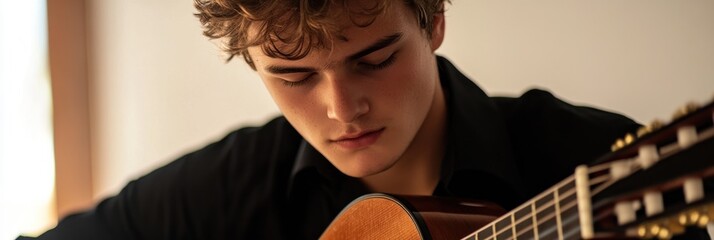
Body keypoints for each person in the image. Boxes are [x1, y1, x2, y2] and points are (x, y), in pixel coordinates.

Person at [24, 0, 673, 239]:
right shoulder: (240, 185)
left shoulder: (593, 159)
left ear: (434, 20)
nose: (340, 108)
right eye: (295, 76)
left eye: (375, 58)